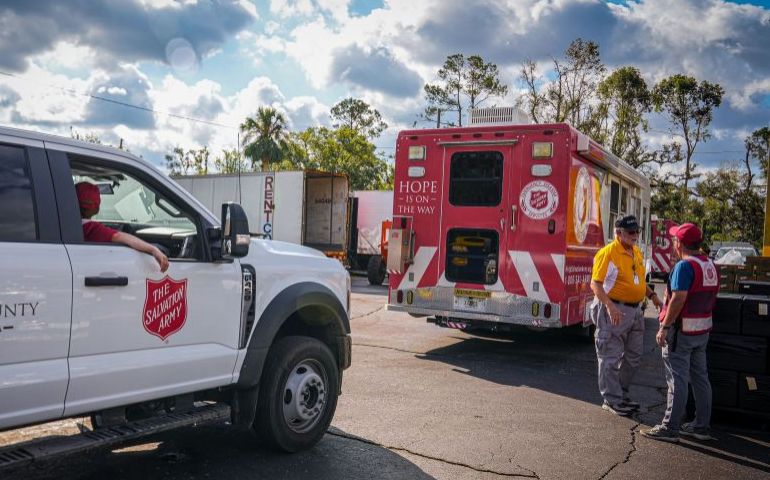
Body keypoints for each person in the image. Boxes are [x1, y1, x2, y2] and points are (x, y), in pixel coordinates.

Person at [640, 223, 718, 443]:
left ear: (680, 243)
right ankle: (701, 426)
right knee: (701, 378)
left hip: (681, 332)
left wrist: (665, 326)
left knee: (677, 379)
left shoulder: (684, 267)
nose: (673, 242)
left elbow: (679, 298)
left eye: (675, 239)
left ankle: (670, 428)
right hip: (701, 331)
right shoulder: (709, 265)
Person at [590, 215, 663, 416]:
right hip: (614, 310)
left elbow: (638, 280)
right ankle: (611, 399)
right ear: (618, 233)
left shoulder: (636, 252)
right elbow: (595, 283)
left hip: (635, 311)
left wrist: (653, 296)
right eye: (631, 232)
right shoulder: (608, 253)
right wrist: (610, 306)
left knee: (634, 356)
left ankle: (620, 393)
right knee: (610, 357)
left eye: (637, 231)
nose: (635, 235)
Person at [75, 182, 169, 272]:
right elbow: (119, 236)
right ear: (96, 206)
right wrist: (153, 249)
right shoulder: (90, 228)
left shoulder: (70, 226)